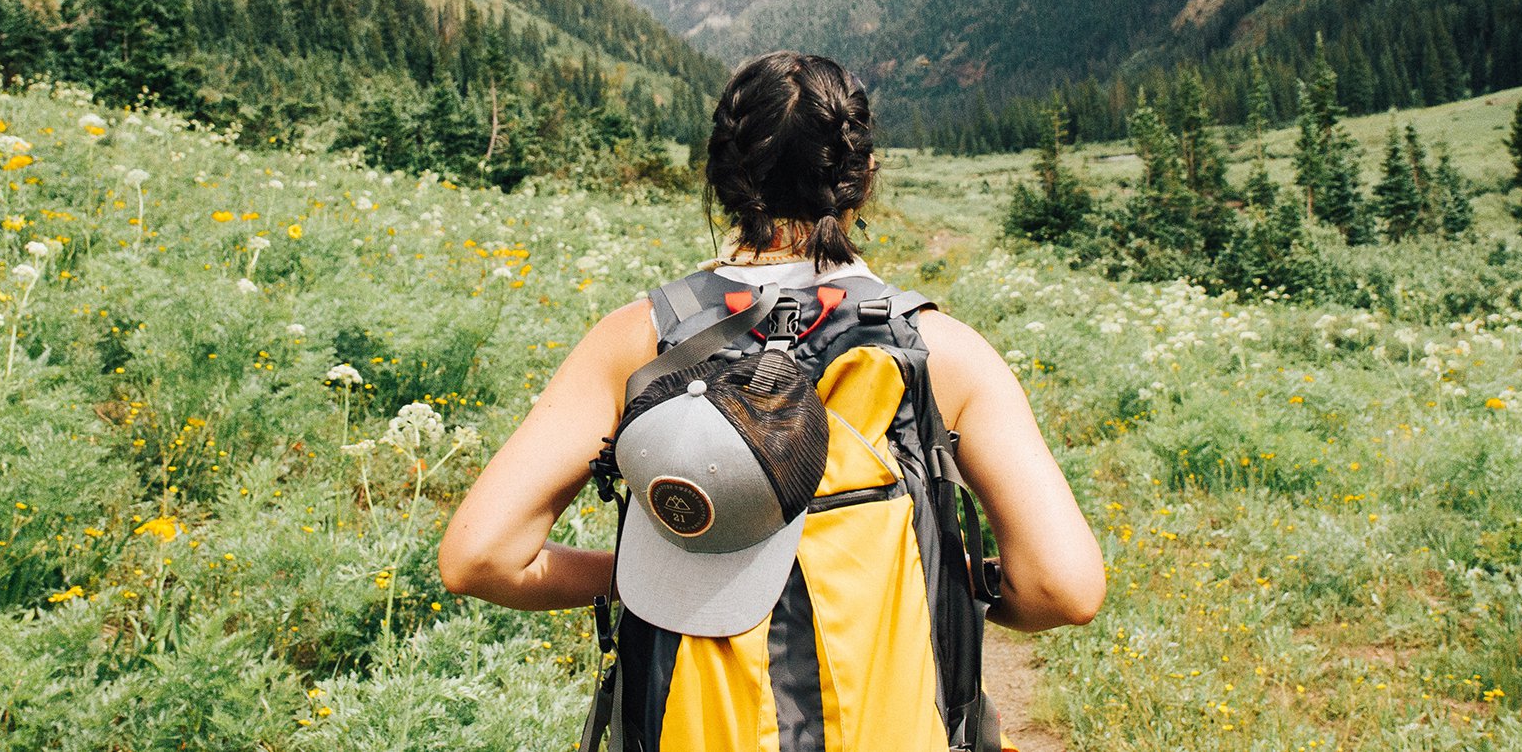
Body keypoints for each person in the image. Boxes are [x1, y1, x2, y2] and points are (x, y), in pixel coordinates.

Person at [440, 50, 1104, 749]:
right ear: (863, 177)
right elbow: (1065, 587)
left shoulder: (637, 340)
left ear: (720, 177)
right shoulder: (940, 350)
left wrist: (633, 574)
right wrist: (949, 574)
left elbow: (480, 557)